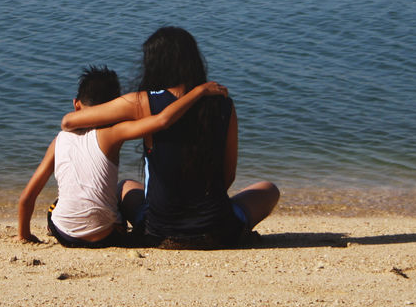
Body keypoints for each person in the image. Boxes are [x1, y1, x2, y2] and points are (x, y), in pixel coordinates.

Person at [60, 27, 279, 249]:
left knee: (125, 186)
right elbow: (227, 176)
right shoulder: (223, 104)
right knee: (269, 190)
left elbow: (69, 122)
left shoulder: (143, 102)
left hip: (159, 232)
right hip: (218, 230)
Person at [17, 65, 228, 247]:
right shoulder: (113, 134)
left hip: (66, 236)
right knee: (123, 187)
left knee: (56, 204)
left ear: (76, 105)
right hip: (107, 236)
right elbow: (162, 120)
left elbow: (27, 198)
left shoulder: (59, 141)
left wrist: (24, 236)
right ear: (114, 106)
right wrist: (198, 91)